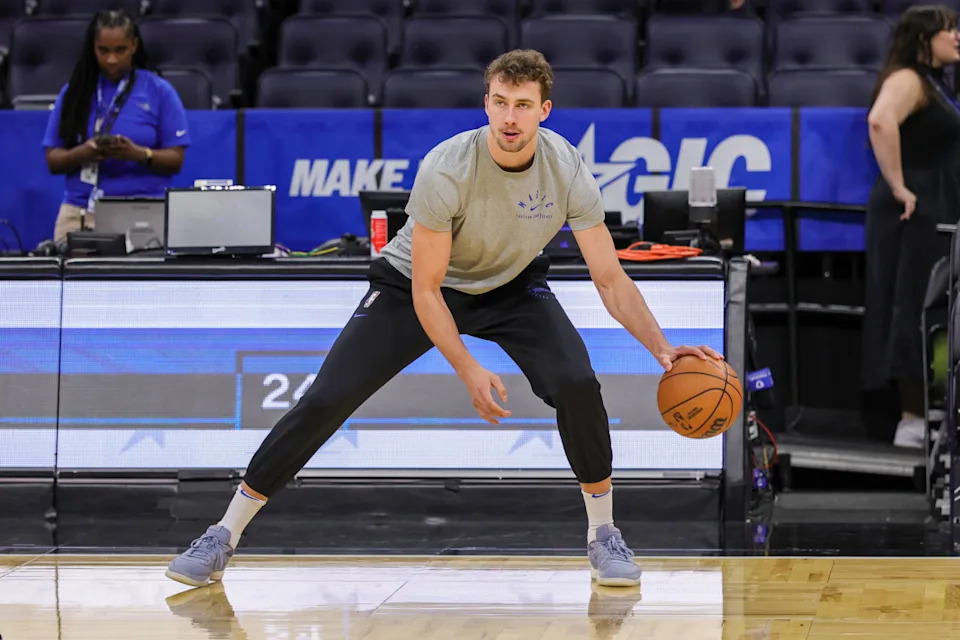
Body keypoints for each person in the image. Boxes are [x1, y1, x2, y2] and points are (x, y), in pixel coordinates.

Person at [165, 49, 721, 588]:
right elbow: (429, 289)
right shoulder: (447, 167)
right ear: (486, 103)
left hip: (510, 287)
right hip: (415, 287)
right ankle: (221, 535)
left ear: (544, 110)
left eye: (523, 105)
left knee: (577, 382)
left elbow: (610, 277)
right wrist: (468, 367)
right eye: (500, 102)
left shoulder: (566, 168)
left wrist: (663, 350)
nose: (509, 117)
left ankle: (604, 536)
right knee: (327, 398)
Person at [864, 5, 960, 447]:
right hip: (914, 209)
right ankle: (910, 418)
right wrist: (900, 186)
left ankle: (928, 413)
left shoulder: (937, 83)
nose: (957, 37)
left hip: (935, 204)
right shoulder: (907, 79)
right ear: (923, 38)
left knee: (935, 307)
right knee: (912, 303)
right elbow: (881, 120)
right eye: (948, 30)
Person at [42, 9, 191, 245]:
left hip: (144, 210)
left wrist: (139, 155)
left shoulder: (159, 91)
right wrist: (84, 152)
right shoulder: (74, 93)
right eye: (104, 50)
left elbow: (176, 158)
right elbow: (53, 159)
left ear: (134, 45)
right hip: (80, 212)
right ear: (93, 48)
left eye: (120, 50)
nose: (112, 59)